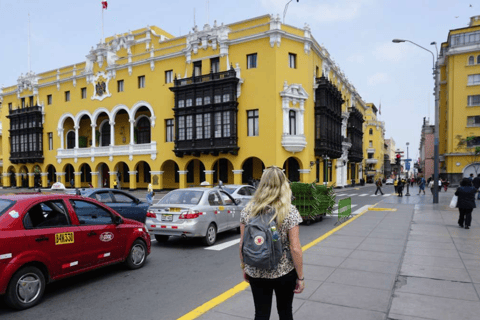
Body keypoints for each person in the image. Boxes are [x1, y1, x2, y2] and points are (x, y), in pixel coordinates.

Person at [239, 166, 304, 320]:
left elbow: (242, 243)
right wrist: (300, 277)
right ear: (283, 184)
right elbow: (295, 249)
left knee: (261, 314)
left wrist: (245, 267)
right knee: (285, 312)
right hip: (284, 272)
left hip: (256, 270)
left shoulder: (248, 210)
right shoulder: (289, 211)